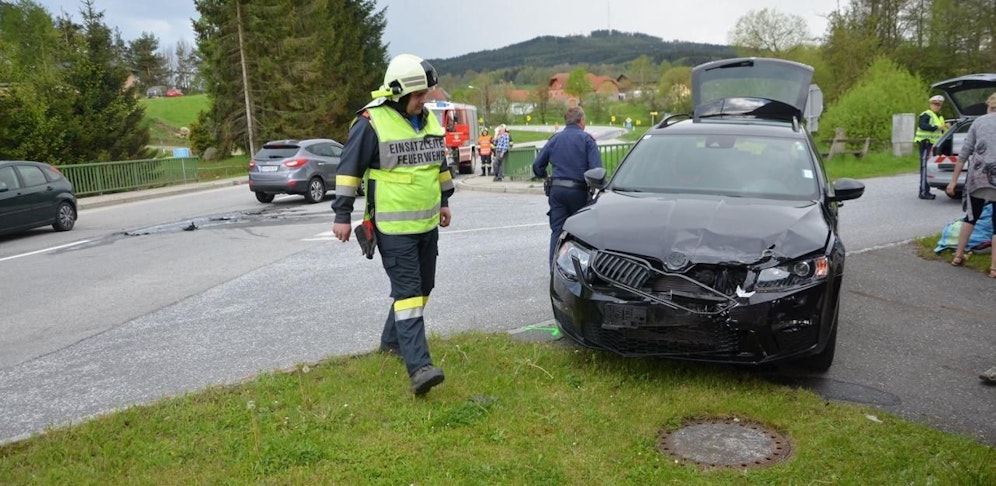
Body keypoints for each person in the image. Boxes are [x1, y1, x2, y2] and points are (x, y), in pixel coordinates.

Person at [331, 53, 454, 396]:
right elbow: (348, 170)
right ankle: (420, 368)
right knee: (409, 293)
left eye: (424, 95)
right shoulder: (371, 123)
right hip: (392, 228)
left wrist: (445, 200)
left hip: (427, 223)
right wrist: (342, 214)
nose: (422, 101)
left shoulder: (427, 120)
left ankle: (390, 343)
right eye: (417, 96)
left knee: (423, 287)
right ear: (398, 94)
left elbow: (438, 164)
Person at [532, 106, 604, 266]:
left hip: (556, 191)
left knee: (557, 232)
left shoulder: (555, 139)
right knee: (580, 234)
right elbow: (597, 170)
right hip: (579, 192)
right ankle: (577, 272)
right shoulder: (587, 140)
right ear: (582, 121)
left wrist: (545, 176)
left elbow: (537, 166)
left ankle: (554, 271)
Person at [945, 92, 996, 279]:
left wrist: (953, 181)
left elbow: (964, 154)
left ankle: (958, 256)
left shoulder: (978, 122)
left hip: (978, 177)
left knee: (970, 217)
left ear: (988, 105)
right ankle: (994, 268)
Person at [915, 95, 951, 199]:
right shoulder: (926, 114)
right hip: (925, 143)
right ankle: (923, 192)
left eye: (939, 105)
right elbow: (922, 125)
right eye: (935, 104)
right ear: (931, 104)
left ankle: (926, 191)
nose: (937, 106)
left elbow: (942, 131)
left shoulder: (939, 116)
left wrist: (947, 127)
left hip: (934, 145)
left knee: (929, 168)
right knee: (925, 167)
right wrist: (936, 127)